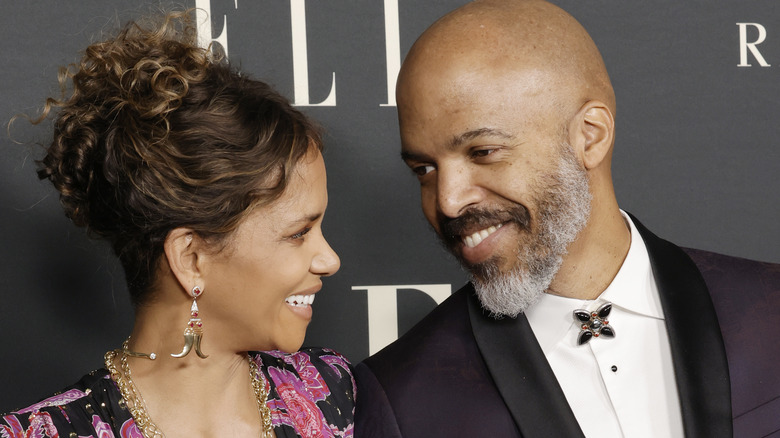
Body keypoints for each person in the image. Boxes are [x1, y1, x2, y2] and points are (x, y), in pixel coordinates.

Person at [354, 0, 780, 437]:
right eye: (424, 170)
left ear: (589, 137)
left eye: (482, 152)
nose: (447, 201)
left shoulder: (769, 311)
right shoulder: (402, 397)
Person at [1, 12, 354, 438]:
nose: (330, 260)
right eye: (298, 233)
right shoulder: (39, 433)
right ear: (191, 257)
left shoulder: (331, 391)